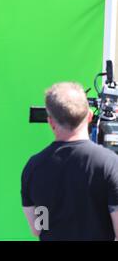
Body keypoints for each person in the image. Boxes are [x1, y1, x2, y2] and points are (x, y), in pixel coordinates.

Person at [21, 82, 118, 240]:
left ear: (51, 122)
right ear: (89, 116)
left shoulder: (34, 166)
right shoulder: (110, 164)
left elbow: (39, 228)